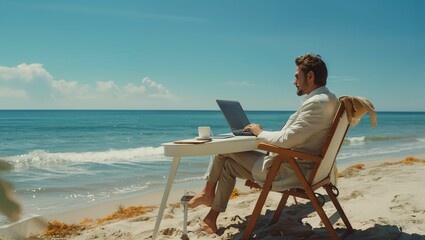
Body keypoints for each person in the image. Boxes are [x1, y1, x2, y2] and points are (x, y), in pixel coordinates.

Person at [188, 53, 338, 234]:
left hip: (291, 171)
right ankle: (210, 218)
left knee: (222, 150)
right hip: (302, 166)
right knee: (226, 164)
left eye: (297, 76)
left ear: (311, 76)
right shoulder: (329, 99)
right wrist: (262, 135)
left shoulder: (316, 103)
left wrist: (259, 133)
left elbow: (286, 140)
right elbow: (294, 136)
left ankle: (207, 193)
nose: (294, 81)